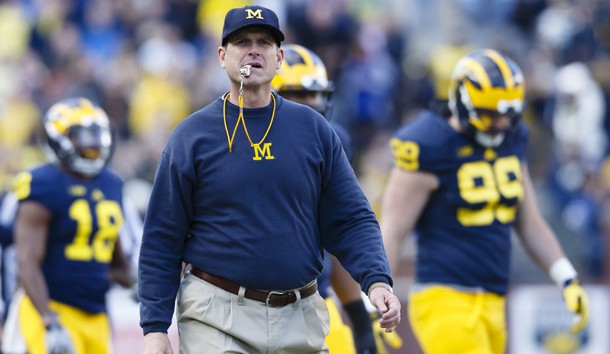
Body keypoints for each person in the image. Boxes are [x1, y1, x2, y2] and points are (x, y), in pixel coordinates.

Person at [138, 5, 401, 354]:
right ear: (222, 56)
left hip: (300, 313)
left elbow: (351, 217)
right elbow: (162, 236)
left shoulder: (314, 129)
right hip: (217, 314)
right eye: (241, 42)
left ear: (278, 57)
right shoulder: (193, 136)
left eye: (264, 42)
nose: (253, 50)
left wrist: (377, 280)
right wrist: (155, 328)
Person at [380, 49, 590, 354]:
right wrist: (373, 298)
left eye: (507, 114)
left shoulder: (513, 136)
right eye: (490, 113)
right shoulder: (427, 143)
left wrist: (566, 276)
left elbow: (529, 220)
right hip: (445, 299)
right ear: (461, 102)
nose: (500, 123)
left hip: (494, 299)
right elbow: (393, 229)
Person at [271, 43, 402, 354]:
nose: (311, 105)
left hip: (315, 296)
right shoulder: (235, 141)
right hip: (252, 302)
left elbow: (340, 230)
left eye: (315, 95)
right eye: (298, 95)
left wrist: (358, 314)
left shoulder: (331, 141)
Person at [8, 97, 133, 354]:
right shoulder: (42, 184)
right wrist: (48, 319)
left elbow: (116, 262)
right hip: (50, 307)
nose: (93, 144)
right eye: (83, 136)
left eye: (96, 135)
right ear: (59, 139)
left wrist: (139, 282)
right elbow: (27, 263)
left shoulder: (111, 184)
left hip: (96, 314)